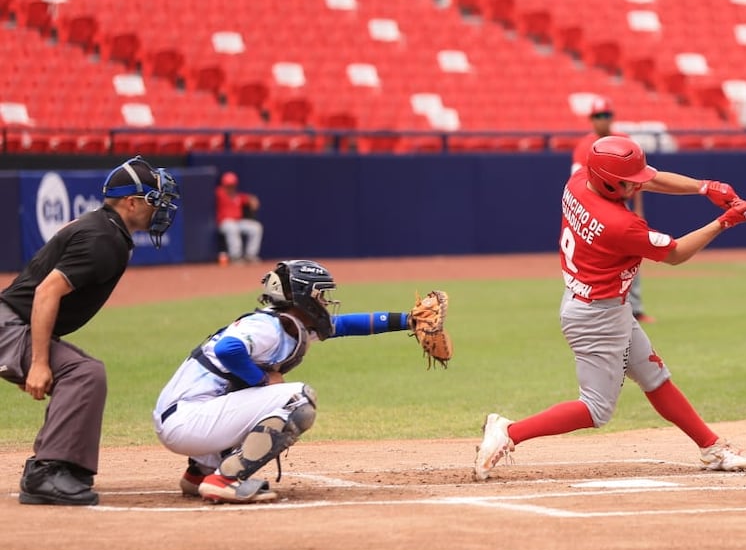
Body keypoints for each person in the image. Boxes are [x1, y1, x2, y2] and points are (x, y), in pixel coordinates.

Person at [473, 135, 746, 481]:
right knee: (596, 409)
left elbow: (651, 177)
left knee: (654, 377)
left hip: (601, 305)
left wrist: (705, 187)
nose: (637, 187)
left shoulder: (579, 181)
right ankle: (509, 431)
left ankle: (711, 447)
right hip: (597, 317)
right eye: (627, 183)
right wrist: (724, 221)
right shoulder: (621, 225)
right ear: (608, 181)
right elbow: (677, 253)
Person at [153, 260, 435, 504]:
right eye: (320, 294)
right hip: (188, 420)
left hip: (187, 417)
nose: (324, 301)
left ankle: (199, 473)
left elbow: (345, 325)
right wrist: (263, 379)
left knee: (264, 397)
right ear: (303, 295)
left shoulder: (287, 324)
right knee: (297, 398)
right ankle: (225, 479)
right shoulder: (267, 326)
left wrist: (408, 321)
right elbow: (229, 349)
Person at [0, 156, 181, 505]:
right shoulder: (104, 239)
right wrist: (38, 362)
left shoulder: (105, 229)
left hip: (11, 321)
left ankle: (67, 466)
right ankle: (47, 471)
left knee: (85, 372)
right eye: (154, 201)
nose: (161, 210)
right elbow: (46, 292)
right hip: (8, 324)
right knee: (83, 374)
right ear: (131, 203)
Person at [571, 97, 653, 324]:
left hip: (620, 205)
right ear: (591, 120)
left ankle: (634, 309)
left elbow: (639, 180)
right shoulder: (583, 147)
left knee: (630, 257)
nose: (602, 120)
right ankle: (583, 303)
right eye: (598, 116)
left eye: (606, 115)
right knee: (591, 262)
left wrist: (637, 209)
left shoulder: (624, 141)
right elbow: (577, 181)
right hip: (595, 209)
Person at [215, 171, 263, 264]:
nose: (230, 187)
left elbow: (249, 198)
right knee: (232, 228)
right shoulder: (219, 193)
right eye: (228, 185)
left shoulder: (237, 196)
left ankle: (250, 255)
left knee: (256, 227)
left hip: (238, 222)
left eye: (232, 185)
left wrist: (253, 200)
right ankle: (235, 257)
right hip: (224, 222)